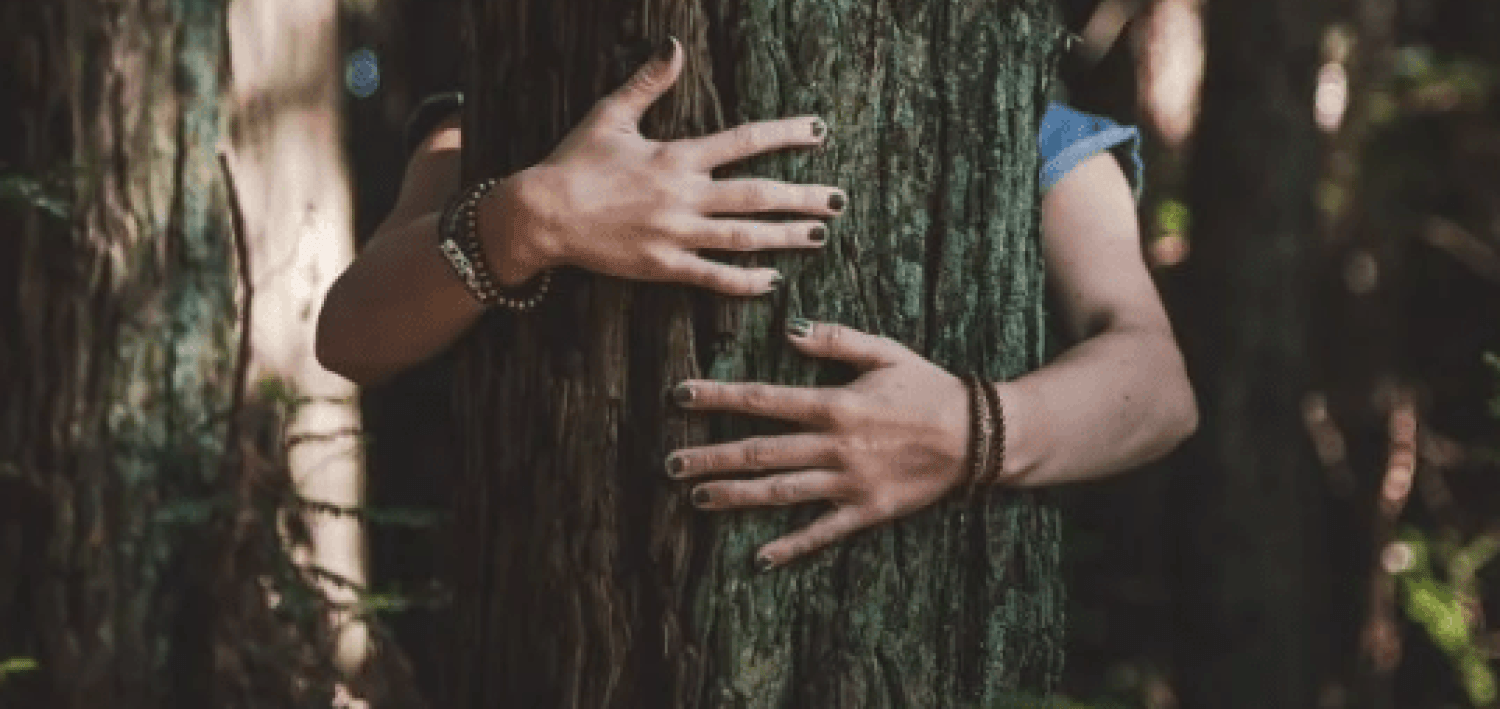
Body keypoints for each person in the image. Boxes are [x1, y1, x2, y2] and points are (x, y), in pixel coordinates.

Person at [317, 37, 1198, 573]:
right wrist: (534, 216)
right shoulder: (511, 109)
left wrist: (971, 431)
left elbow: (1157, 384)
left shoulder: (1024, 130)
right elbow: (353, 333)